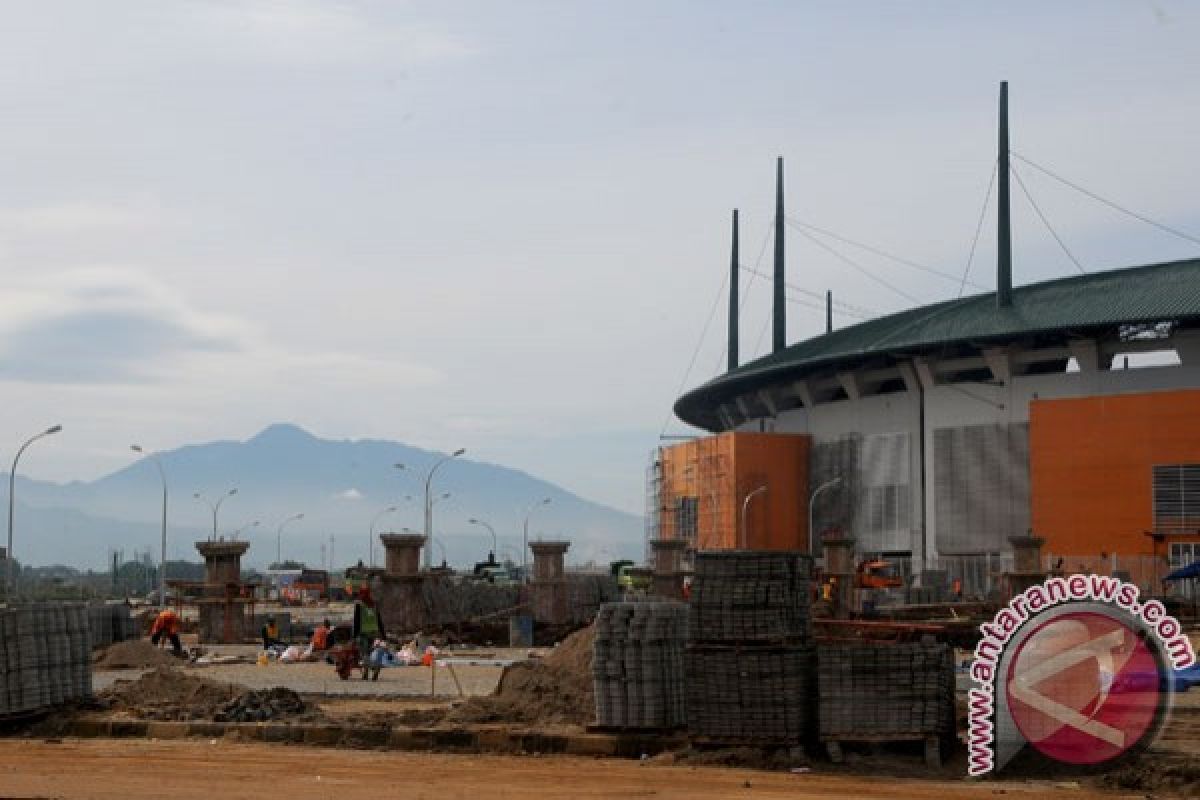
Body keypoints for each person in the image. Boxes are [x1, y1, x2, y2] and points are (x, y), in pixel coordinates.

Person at [352, 586, 385, 680]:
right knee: (373, 652)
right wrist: (383, 634)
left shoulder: (359, 605)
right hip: (374, 632)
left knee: (365, 653)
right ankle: (376, 667)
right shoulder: (374, 604)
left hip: (363, 633)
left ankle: (366, 673)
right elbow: (379, 620)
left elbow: (356, 621)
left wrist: (354, 636)